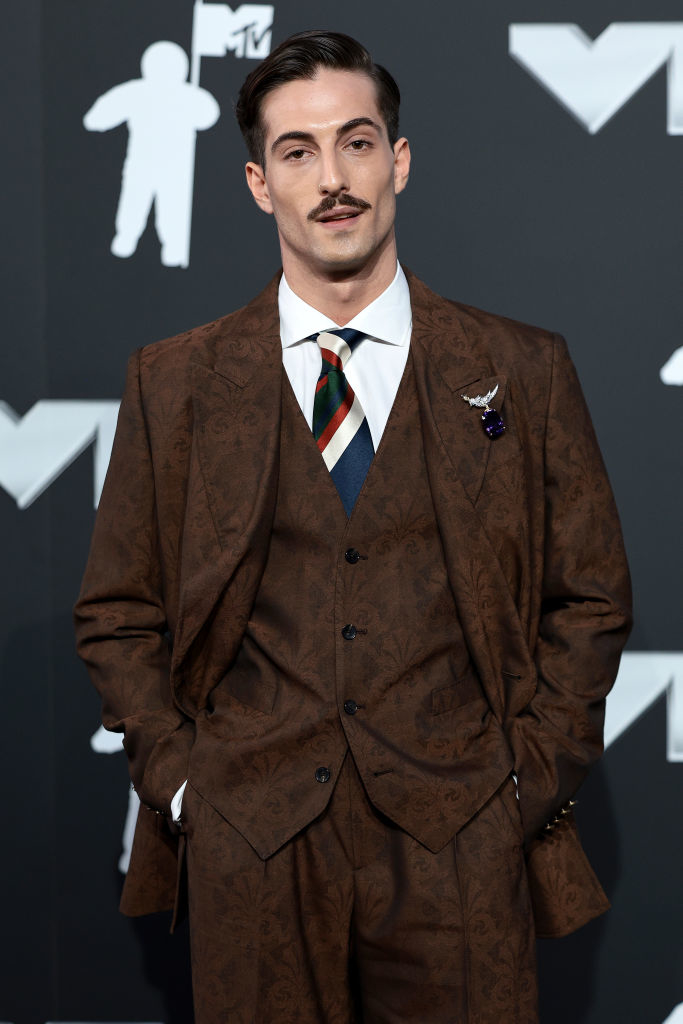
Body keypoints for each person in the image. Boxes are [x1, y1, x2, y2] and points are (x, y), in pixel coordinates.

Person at [74, 30, 632, 1024]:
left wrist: (522, 781)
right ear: (257, 183)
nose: (332, 179)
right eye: (297, 152)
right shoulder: (177, 384)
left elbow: (587, 596)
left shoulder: (519, 369)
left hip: (460, 841)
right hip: (252, 844)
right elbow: (117, 611)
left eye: (357, 143)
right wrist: (186, 786)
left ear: (399, 161)